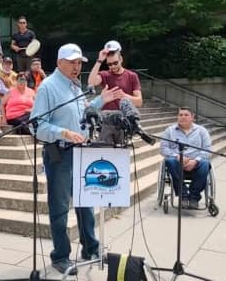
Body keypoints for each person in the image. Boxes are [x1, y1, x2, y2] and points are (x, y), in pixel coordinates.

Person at [30, 43, 120, 275]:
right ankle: (60, 255)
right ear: (60, 62)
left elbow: (81, 112)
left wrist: (101, 101)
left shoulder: (75, 86)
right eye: (73, 62)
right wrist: (63, 133)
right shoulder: (48, 87)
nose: (77, 66)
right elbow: (36, 125)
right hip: (60, 154)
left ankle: (90, 247)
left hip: (82, 152)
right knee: (60, 207)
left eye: (80, 62)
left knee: (85, 203)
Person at [160, 106, 212, 209]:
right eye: (180, 115)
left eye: (186, 115)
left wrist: (195, 161)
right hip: (176, 163)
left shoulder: (201, 131)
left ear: (192, 117)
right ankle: (183, 196)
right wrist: (177, 156)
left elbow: (207, 149)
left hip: (196, 163)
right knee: (169, 161)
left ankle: (193, 197)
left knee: (205, 163)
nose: (183, 117)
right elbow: (163, 149)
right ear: (177, 117)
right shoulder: (169, 131)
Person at [87, 40, 143, 110]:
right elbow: (91, 82)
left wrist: (124, 96)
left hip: (125, 118)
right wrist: (99, 60)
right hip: (107, 117)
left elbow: (139, 102)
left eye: (115, 63)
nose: (113, 66)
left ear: (121, 59)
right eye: (109, 64)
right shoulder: (105, 75)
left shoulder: (132, 76)